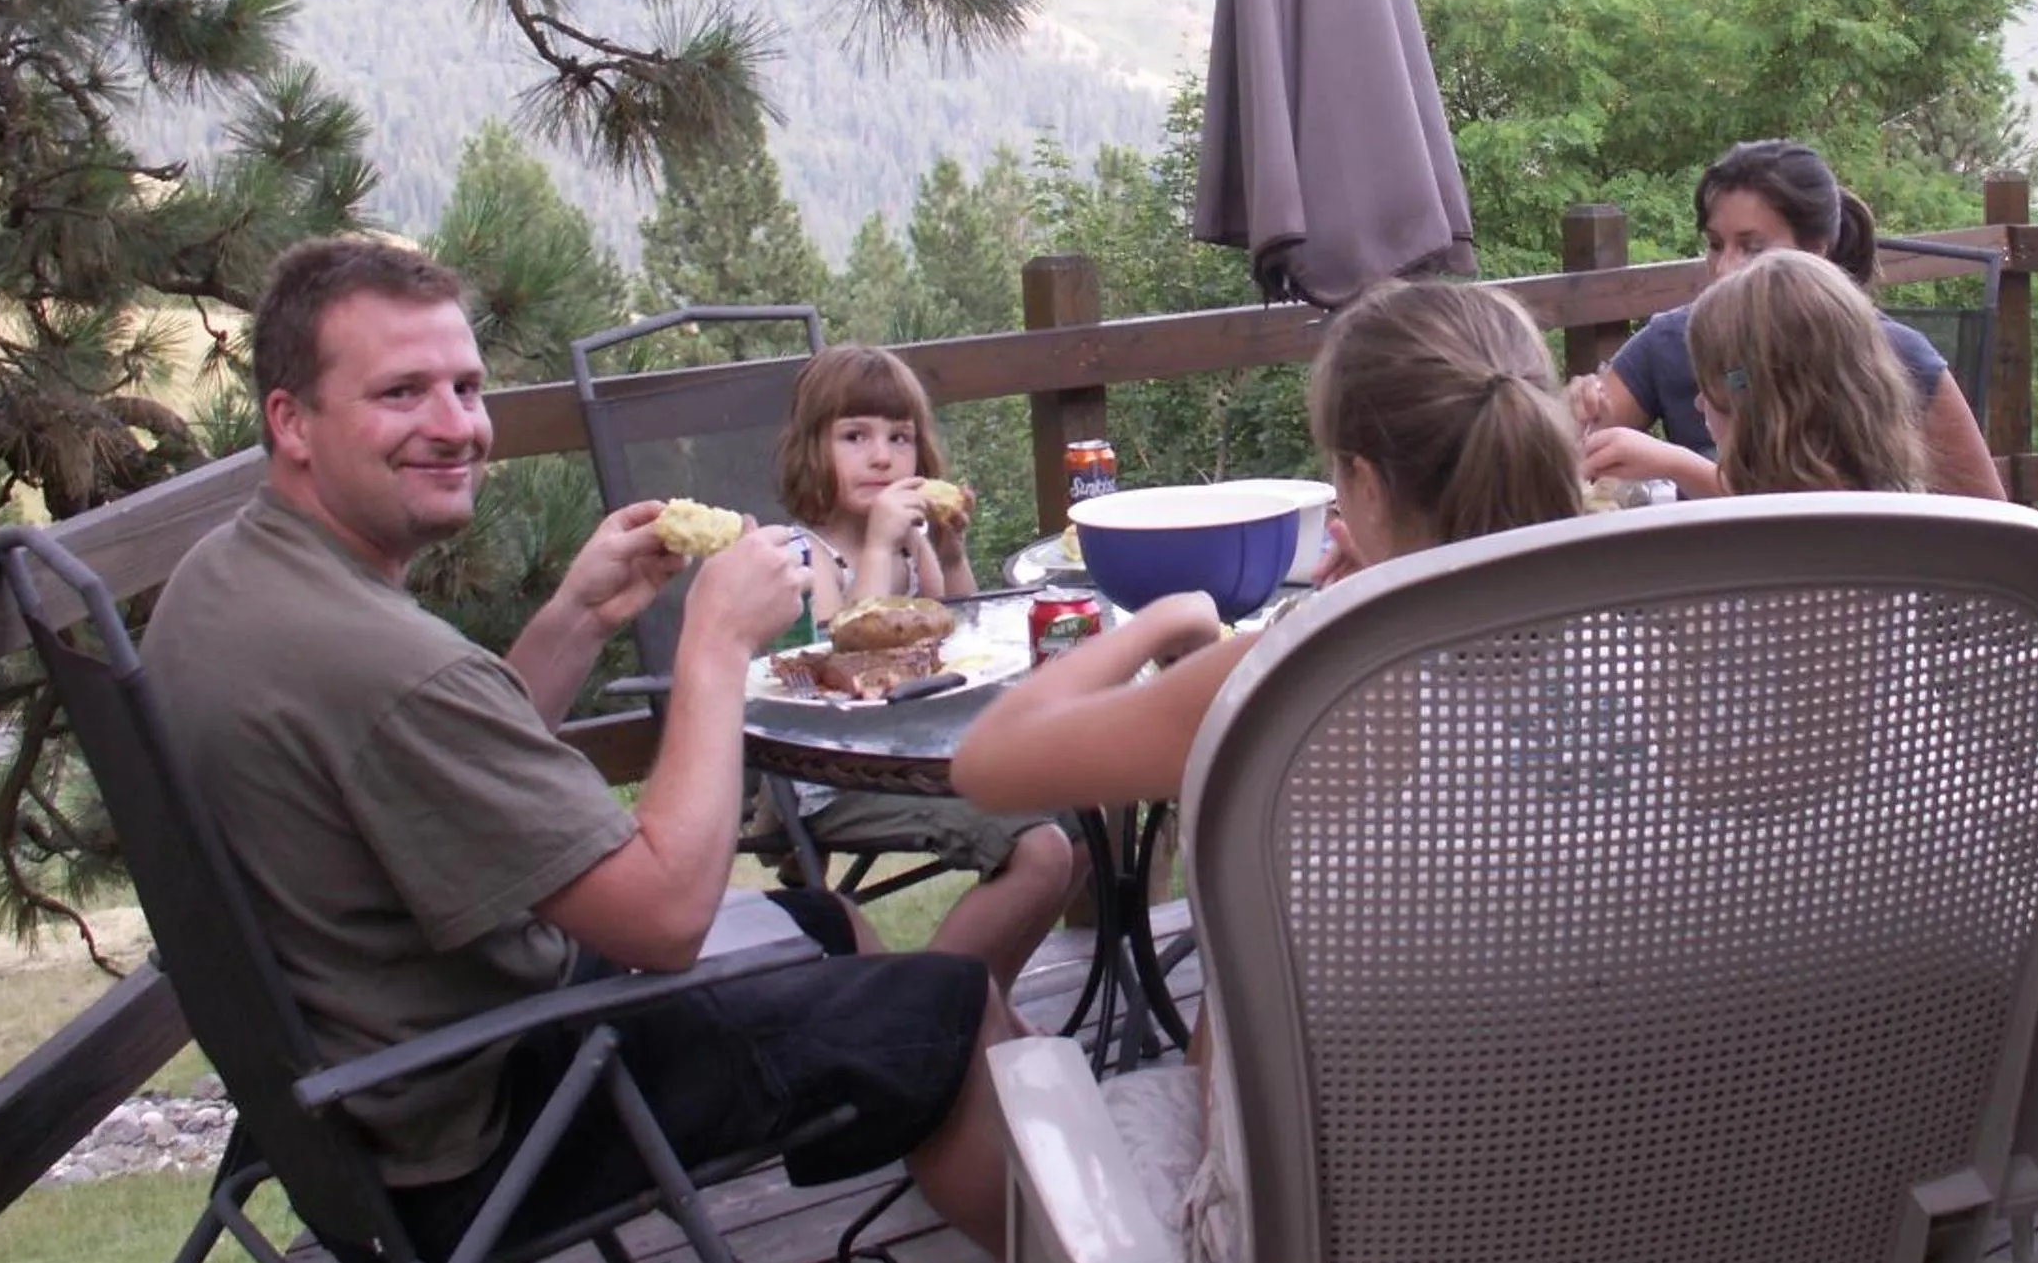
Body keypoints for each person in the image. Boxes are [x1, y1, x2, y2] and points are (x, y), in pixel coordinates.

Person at [140, 239, 1009, 1263]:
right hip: (490, 1120)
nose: (455, 425)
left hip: (375, 1095)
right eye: (400, 392)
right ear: (291, 421)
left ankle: (956, 1162)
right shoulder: (376, 660)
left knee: (824, 919)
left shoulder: (232, 581)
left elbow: (445, 765)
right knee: (953, 1008)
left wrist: (573, 619)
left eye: (465, 386)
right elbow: (664, 917)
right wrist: (715, 647)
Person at [953, 278, 1586, 815]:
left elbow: (987, 764)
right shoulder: (1644, 639)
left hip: (1351, 968)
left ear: (1365, 485)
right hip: (1603, 965)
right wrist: (1391, 569)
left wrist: (1167, 617)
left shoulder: (1295, 681)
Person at [769, 344, 1083, 993]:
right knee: (1042, 849)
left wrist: (946, 546)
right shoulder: (802, 557)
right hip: (829, 777)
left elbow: (962, 629)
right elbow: (842, 661)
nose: (882, 456)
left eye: (899, 437)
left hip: (929, 752)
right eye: (854, 436)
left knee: (1088, 826)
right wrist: (882, 547)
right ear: (810, 450)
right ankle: (927, 1010)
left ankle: (977, 1005)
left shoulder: (911, 544)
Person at [1569, 138, 2007, 501]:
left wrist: (1680, 467)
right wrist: (1571, 415)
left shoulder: (1892, 356)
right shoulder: (1672, 342)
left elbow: (1985, 523)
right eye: (1716, 244)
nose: (1725, 269)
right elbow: (1567, 461)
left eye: (1753, 248)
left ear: (1817, 250)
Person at [1684, 250, 1929, 496]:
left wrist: (1679, 467)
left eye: (1708, 386)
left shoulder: (1757, 528)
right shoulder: (1901, 512)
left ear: (1748, 405)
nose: (1699, 403)